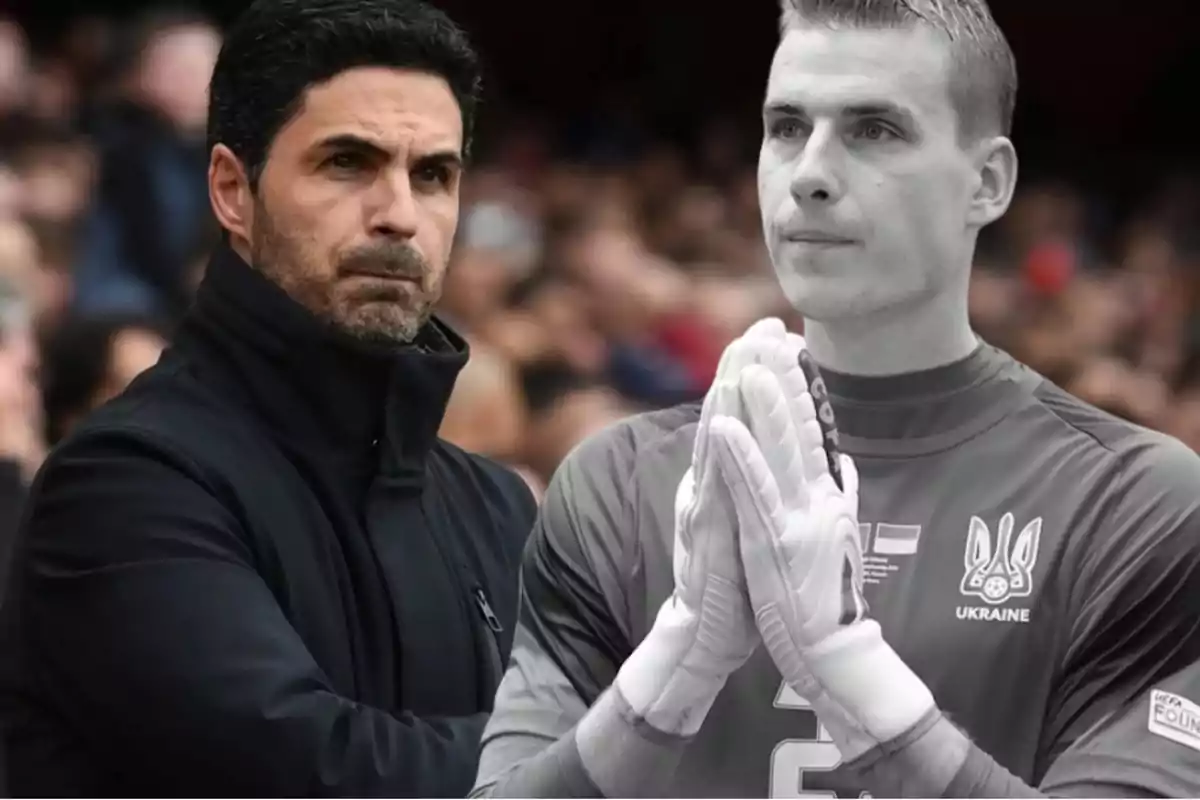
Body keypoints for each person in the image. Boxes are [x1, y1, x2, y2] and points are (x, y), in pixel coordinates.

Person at [471, 0, 1200, 797]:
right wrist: (679, 664)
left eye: (873, 130)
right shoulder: (616, 481)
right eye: (786, 126)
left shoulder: (1138, 503)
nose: (810, 173)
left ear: (988, 182)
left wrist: (846, 666)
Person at [0, 0, 535, 794]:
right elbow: (309, 774)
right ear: (230, 190)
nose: (399, 215)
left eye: (433, 175)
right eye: (347, 163)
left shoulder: (494, 505)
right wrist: (608, 754)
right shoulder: (125, 483)